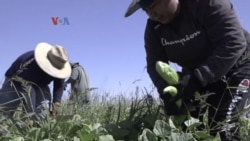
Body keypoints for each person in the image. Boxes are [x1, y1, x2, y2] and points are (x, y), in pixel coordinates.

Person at [124, 0, 250, 140]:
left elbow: (233, 43)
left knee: (222, 126)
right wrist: (168, 93)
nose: (151, 14)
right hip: (197, 75)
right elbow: (154, 64)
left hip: (238, 65)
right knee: (189, 126)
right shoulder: (154, 28)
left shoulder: (207, 4)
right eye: (146, 10)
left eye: (153, 5)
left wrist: (198, 78)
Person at [0, 42, 71, 118]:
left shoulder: (59, 63)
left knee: (44, 112)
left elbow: (59, 85)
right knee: (4, 112)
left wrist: (57, 103)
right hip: (15, 82)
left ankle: (39, 127)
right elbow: (30, 91)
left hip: (41, 84)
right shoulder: (30, 63)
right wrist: (30, 115)